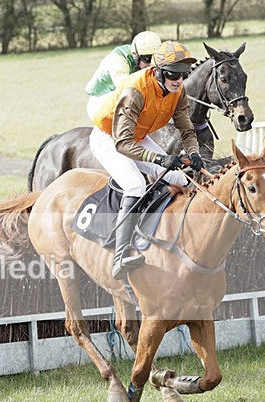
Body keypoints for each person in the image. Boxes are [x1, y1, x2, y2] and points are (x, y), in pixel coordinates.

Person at [89, 40, 205, 279]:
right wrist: (160, 159)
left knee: (180, 179)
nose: (179, 80)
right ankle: (120, 257)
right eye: (173, 74)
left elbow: (187, 130)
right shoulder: (135, 89)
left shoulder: (178, 91)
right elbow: (122, 142)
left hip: (137, 136)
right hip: (109, 137)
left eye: (184, 74)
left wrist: (194, 153)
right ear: (158, 71)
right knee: (135, 184)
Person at [84, 31, 161, 120]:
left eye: (155, 58)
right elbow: (127, 91)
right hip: (100, 100)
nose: (152, 64)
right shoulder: (118, 60)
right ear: (135, 55)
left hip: (120, 97)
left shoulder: (142, 58)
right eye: (147, 59)